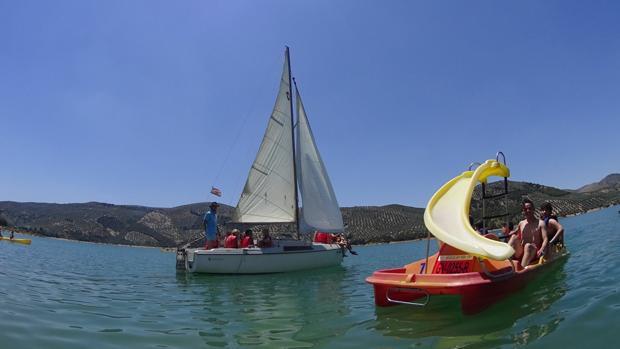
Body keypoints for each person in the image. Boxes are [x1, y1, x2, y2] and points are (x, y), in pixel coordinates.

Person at [508, 199, 549, 268]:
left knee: (527, 246)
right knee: (513, 237)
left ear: (533, 209)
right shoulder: (521, 223)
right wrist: (511, 233)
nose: (528, 211)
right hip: (521, 251)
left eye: (529, 208)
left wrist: (542, 249)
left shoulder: (541, 223)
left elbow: (545, 239)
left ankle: (521, 269)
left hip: (533, 252)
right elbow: (516, 232)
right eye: (525, 209)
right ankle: (502, 259)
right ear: (523, 211)